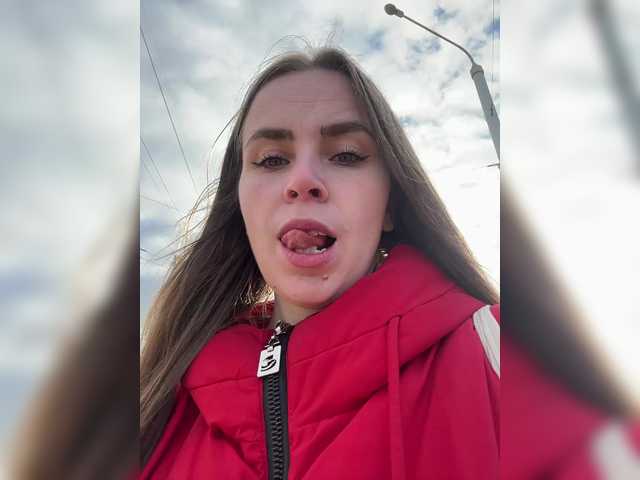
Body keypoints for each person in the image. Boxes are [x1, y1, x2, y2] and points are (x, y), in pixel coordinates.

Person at [139, 46, 500, 480]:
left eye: (346, 154)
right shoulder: (153, 407)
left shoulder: (502, 356)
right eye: (271, 159)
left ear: (390, 204)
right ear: (240, 204)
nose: (302, 180)